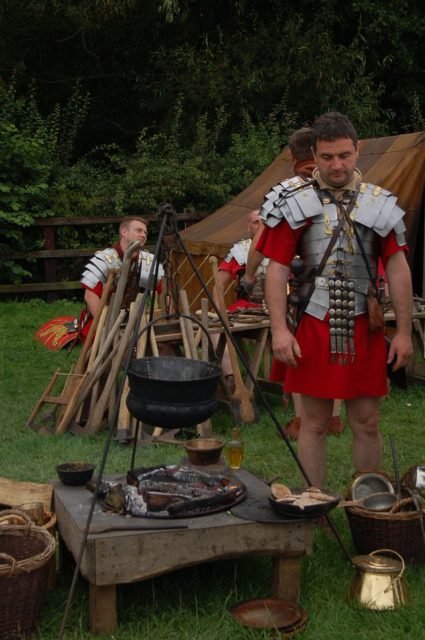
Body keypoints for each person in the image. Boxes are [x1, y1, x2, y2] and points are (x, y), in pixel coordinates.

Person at [257, 112, 413, 488]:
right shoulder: (292, 202)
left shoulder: (380, 203)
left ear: (357, 150)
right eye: (327, 157)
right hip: (315, 322)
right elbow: (276, 269)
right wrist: (279, 330)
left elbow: (398, 268)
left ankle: (368, 508)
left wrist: (405, 332)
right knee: (313, 423)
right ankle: (315, 505)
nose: (337, 164)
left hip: (367, 325)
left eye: (344, 155)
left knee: (367, 422)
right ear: (314, 154)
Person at [246, 127, 343, 438]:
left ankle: (304, 419)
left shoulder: (288, 191)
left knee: (301, 349)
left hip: (303, 285)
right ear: (315, 153)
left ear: (291, 156)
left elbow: (261, 242)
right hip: (347, 280)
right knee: (339, 344)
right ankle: (336, 417)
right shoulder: (345, 184)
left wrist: (248, 275)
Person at [79, 216, 164, 342]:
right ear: (124, 232)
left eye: (145, 232)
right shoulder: (105, 259)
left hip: (136, 320)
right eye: (139, 230)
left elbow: (165, 291)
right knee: (99, 347)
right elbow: (90, 295)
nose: (143, 235)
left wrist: (162, 318)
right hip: (104, 319)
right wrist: (106, 325)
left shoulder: (148, 261)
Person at [212, 209, 268, 393]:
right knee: (215, 330)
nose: (259, 226)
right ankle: (230, 378)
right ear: (248, 226)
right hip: (244, 309)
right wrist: (219, 314)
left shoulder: (282, 247)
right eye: (254, 222)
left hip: (276, 311)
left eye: (263, 221)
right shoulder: (239, 251)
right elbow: (218, 285)